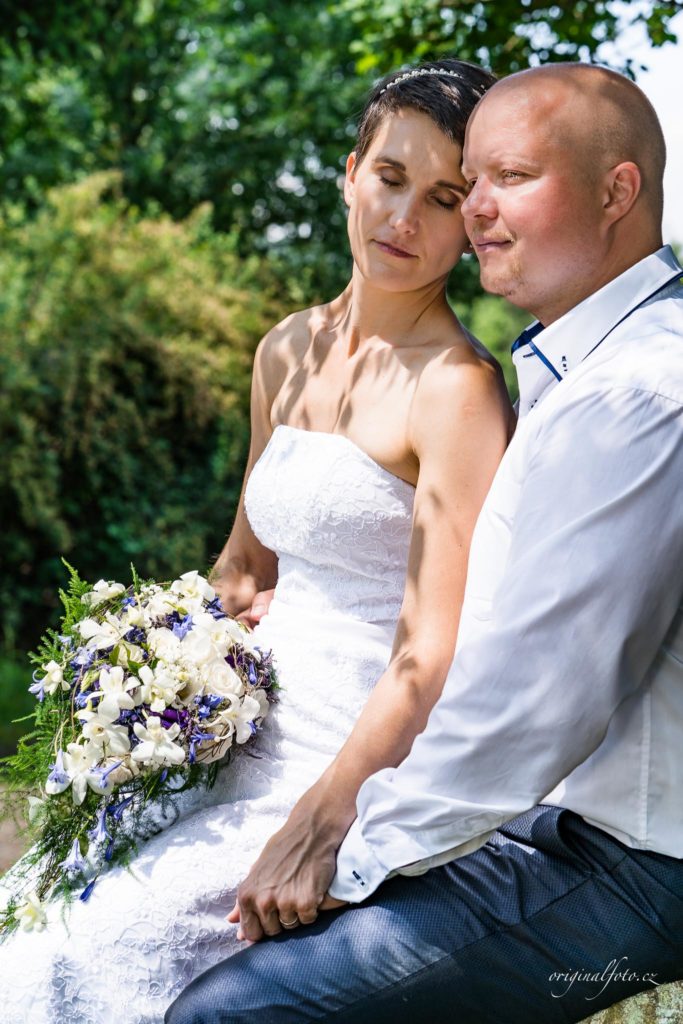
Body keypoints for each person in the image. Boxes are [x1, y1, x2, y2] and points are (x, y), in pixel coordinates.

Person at [166, 63, 683, 1024]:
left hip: (636, 858)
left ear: (618, 191)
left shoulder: (633, 391)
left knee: (232, 1010)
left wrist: (347, 843)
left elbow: (538, 695)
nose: (474, 210)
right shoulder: (589, 362)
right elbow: (248, 566)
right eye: (468, 184)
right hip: (547, 812)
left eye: (505, 179)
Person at [0, 59, 513, 1022]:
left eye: (445, 199)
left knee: (98, 954)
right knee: (30, 922)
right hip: (239, 723)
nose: (405, 218)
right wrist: (147, 681)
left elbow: (434, 649)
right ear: (349, 172)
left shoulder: (457, 389)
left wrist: (327, 814)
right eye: (390, 178)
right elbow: (243, 571)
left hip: (345, 759)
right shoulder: (287, 349)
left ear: (472, 221)